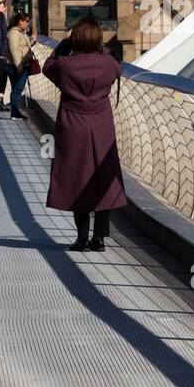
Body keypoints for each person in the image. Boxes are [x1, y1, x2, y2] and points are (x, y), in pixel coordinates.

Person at [42, 16, 126, 252]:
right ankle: (99, 238)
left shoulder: (66, 66)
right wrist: (100, 49)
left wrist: (65, 45)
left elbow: (48, 65)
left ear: (76, 39)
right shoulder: (108, 64)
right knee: (102, 176)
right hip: (101, 125)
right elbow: (117, 66)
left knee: (78, 178)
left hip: (73, 125)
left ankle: (82, 239)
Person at [6, 10, 37, 120]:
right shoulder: (14, 33)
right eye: (26, 21)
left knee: (16, 88)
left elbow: (23, 47)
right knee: (18, 89)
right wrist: (18, 67)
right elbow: (14, 50)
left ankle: (15, 112)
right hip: (16, 66)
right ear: (20, 21)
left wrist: (32, 41)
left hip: (20, 65)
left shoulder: (20, 32)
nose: (28, 23)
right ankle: (14, 112)